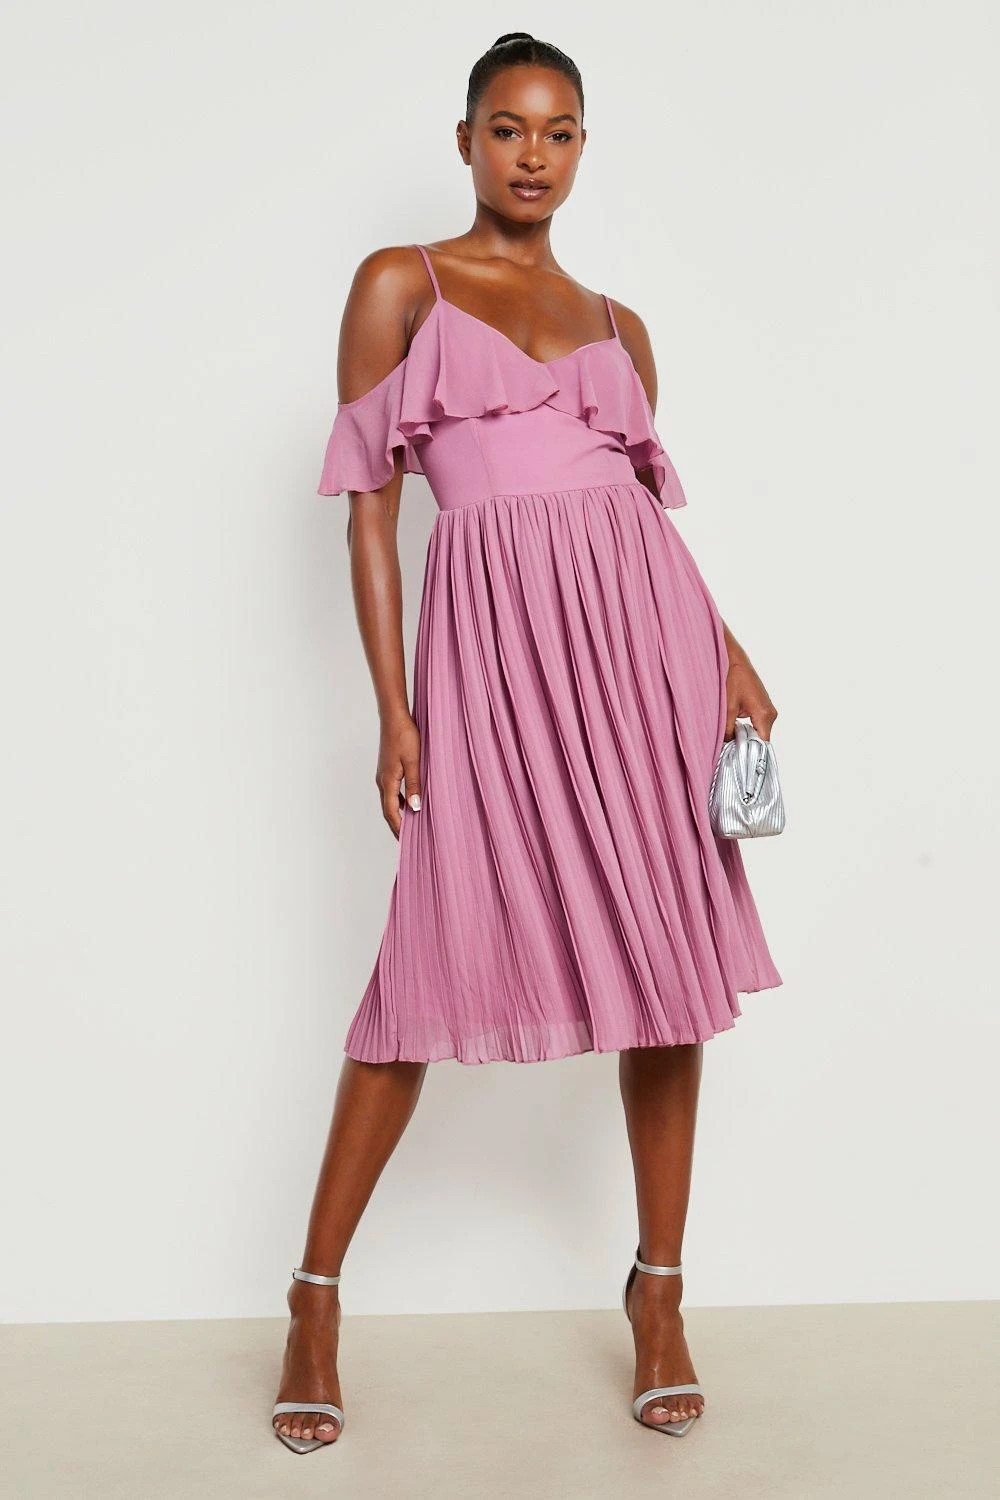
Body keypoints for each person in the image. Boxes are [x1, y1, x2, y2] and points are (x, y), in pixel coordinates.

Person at [272, 32, 782, 1454]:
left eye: (558, 132)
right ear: (466, 141)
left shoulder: (620, 326)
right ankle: (314, 1299)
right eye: (508, 129)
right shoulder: (405, 285)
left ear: (582, 147)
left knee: (669, 975)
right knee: (421, 970)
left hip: (647, 664)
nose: (533, 156)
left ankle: (660, 1295)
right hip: (491, 668)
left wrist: (729, 656)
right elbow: (372, 508)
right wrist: (393, 708)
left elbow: (636, 525)